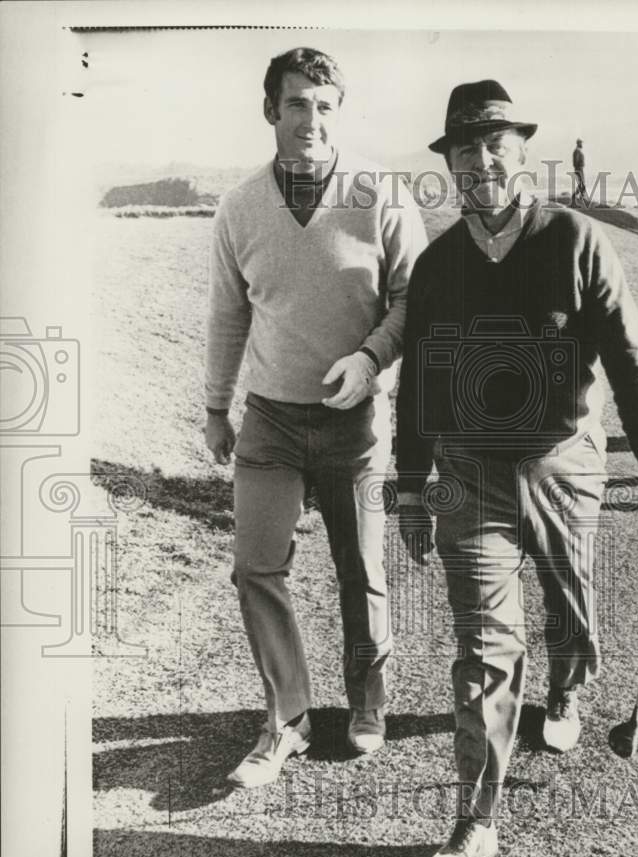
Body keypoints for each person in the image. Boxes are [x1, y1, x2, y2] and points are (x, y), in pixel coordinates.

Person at [395, 79, 638, 857]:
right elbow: (421, 385)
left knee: (570, 613)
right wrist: (413, 486)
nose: (482, 160)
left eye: (497, 144)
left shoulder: (575, 238)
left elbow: (630, 361)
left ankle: (567, 691)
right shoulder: (438, 263)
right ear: (451, 167)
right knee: (482, 652)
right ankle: (474, 824)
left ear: (522, 153)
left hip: (565, 463)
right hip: (470, 475)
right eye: (466, 150)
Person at [205, 47, 426, 786]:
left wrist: (368, 361)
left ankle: (367, 704)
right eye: (296, 103)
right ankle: (289, 718)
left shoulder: (379, 195)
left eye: (324, 105)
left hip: (355, 426)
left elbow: (411, 300)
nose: (310, 119)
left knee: (359, 569)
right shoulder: (239, 208)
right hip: (269, 420)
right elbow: (228, 316)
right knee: (255, 570)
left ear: (340, 111)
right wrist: (215, 406)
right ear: (271, 110)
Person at [572, 138, 587, 207]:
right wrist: (579, 168)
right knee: (582, 184)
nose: (582, 144)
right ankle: (576, 197)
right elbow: (575, 162)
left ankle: (580, 197)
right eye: (581, 143)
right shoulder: (577, 151)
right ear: (578, 144)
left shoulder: (578, 151)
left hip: (580, 169)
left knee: (582, 184)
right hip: (579, 169)